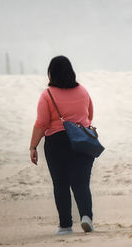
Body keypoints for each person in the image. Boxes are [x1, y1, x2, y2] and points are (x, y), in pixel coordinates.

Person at [30, 56, 96, 235]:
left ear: (51, 73)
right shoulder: (83, 91)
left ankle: (66, 225)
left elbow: (41, 123)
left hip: (56, 143)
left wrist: (33, 146)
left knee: (61, 184)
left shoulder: (47, 95)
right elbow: (89, 115)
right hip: (82, 141)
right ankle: (86, 217)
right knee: (81, 183)